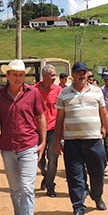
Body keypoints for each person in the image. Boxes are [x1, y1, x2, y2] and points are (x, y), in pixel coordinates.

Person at [0, 59, 46, 215]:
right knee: (14, 189)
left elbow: (40, 117)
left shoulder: (33, 93)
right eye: (15, 75)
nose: (18, 78)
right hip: (7, 147)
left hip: (29, 144)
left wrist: (43, 142)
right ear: (8, 76)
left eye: (21, 75)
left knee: (27, 187)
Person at [54, 62, 108, 215]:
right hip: (72, 142)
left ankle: (97, 196)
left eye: (84, 72)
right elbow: (59, 119)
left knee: (97, 173)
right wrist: (56, 141)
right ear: (72, 75)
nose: (82, 75)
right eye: (78, 72)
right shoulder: (64, 93)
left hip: (94, 141)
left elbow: (105, 115)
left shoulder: (96, 92)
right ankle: (78, 207)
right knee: (75, 176)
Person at [35, 64, 62, 197]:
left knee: (53, 158)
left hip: (53, 129)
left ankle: (50, 185)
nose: (54, 77)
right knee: (38, 158)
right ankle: (46, 174)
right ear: (44, 76)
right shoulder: (33, 90)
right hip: (36, 130)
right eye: (51, 75)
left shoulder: (58, 90)